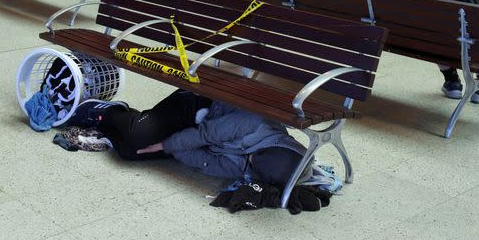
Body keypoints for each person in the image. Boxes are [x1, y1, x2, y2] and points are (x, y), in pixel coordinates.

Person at [70, 89, 310, 186]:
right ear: (265, 147)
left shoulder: (247, 169)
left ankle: (126, 123)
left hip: (196, 135)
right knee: (139, 134)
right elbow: (205, 134)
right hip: (196, 106)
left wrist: (172, 148)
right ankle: (112, 112)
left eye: (249, 167)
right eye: (250, 159)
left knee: (130, 152)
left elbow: (204, 162)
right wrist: (164, 144)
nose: (244, 164)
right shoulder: (256, 125)